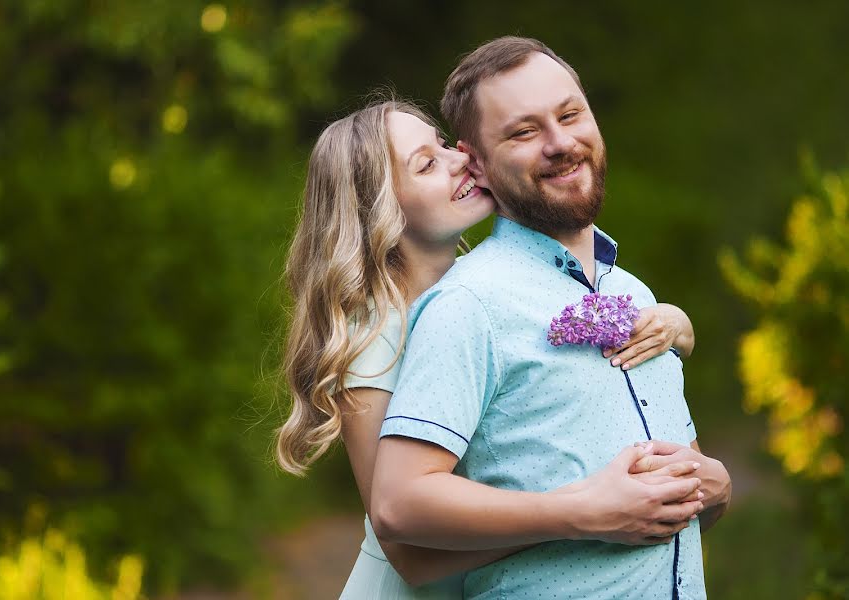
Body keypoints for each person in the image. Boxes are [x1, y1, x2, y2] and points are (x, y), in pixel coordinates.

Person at [275, 97, 707, 599]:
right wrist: (582, 511)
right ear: (381, 209)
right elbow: (408, 552)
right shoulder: (373, 338)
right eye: (428, 164)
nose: (461, 158)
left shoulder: (487, 297)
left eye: (442, 143)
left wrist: (676, 323)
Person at [371, 37, 732, 600]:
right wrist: (583, 511)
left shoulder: (634, 294)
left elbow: (656, 520)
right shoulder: (471, 304)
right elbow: (399, 503)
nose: (561, 143)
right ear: (478, 164)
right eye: (524, 131)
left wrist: (714, 488)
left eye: (569, 115)